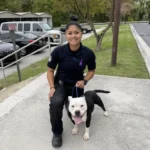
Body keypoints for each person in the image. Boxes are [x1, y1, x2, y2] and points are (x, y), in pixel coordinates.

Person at [47, 21, 96, 147]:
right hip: (60, 84)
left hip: (77, 86)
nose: (73, 36)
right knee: (55, 104)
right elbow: (50, 70)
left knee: (77, 109)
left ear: (81, 33)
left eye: (76, 33)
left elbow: (91, 71)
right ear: (65, 34)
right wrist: (52, 87)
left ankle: (76, 119)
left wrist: (85, 81)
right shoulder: (58, 51)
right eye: (70, 33)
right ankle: (57, 133)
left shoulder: (88, 53)